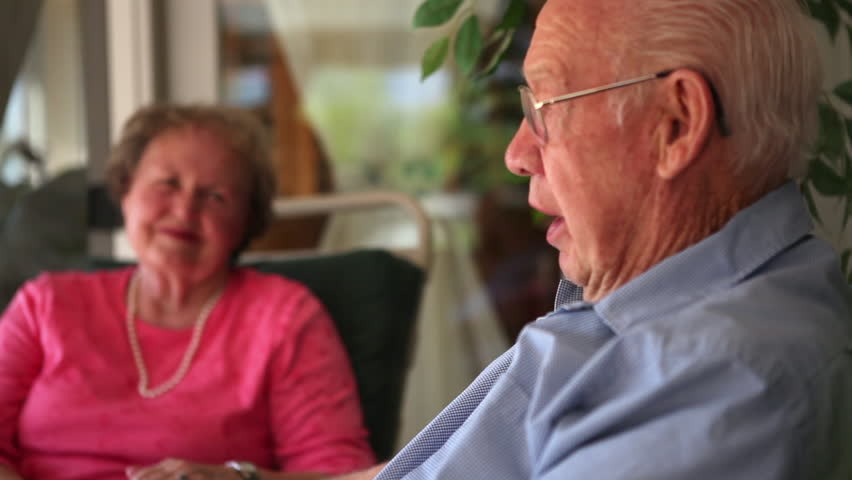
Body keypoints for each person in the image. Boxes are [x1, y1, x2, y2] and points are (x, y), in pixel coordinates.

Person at [341, 0, 852, 479]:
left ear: (676, 124)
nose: (516, 155)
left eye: (546, 106)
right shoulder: (648, 309)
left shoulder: (719, 382)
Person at [0, 104, 376, 480]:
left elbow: (340, 475)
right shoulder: (45, 305)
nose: (184, 211)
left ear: (246, 220)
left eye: (215, 197)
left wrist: (240, 478)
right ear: (126, 191)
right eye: (168, 184)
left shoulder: (284, 317)